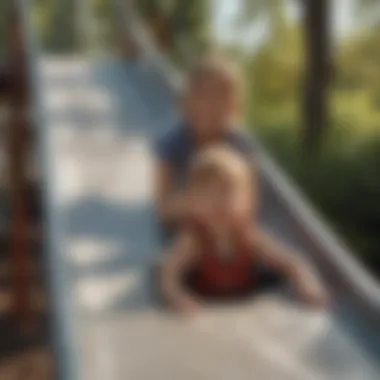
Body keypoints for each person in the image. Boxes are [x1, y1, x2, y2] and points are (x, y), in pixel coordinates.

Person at [160, 146, 329, 314]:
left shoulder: (249, 235)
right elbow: (169, 274)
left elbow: (292, 262)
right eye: (207, 194)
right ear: (192, 201)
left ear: (246, 201)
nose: (218, 202)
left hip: (244, 304)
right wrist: (178, 297)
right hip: (209, 307)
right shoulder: (192, 238)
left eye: (227, 193)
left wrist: (307, 285)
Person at [154, 54, 257, 233]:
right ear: (188, 100)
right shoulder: (173, 144)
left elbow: (249, 203)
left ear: (234, 103)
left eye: (221, 95)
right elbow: (163, 208)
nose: (212, 104)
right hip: (185, 231)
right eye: (203, 95)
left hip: (228, 229)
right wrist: (205, 202)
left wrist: (225, 208)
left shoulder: (240, 144)